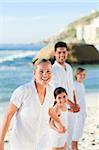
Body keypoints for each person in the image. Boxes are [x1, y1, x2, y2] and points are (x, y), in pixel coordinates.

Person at [0, 59, 55, 150]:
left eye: (48, 71)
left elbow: (49, 112)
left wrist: (59, 124)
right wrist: (1, 142)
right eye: (41, 71)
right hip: (21, 144)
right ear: (34, 73)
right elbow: (8, 116)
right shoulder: (23, 91)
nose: (45, 74)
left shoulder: (51, 91)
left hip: (43, 143)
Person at [50, 41, 80, 150]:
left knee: (70, 135)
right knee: (60, 138)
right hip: (61, 109)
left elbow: (72, 89)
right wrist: (71, 105)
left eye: (64, 52)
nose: (62, 55)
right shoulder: (53, 70)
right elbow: (58, 93)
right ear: (55, 53)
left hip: (71, 107)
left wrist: (75, 104)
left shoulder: (69, 67)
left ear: (67, 53)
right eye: (59, 52)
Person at [71, 67, 87, 150]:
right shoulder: (74, 84)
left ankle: (76, 148)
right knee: (75, 134)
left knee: (78, 134)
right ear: (76, 75)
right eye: (80, 74)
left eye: (84, 75)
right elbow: (72, 97)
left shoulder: (81, 85)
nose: (82, 76)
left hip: (82, 112)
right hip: (76, 113)